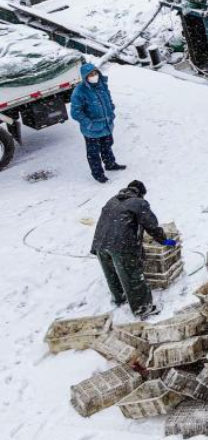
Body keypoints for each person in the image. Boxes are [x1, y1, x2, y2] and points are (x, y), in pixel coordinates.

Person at [90, 180, 175, 319]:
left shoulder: (112, 200)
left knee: (112, 273)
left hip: (100, 243)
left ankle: (120, 297)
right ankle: (143, 308)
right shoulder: (138, 202)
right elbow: (151, 225)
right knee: (133, 276)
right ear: (141, 193)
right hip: (121, 244)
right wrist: (163, 239)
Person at [70, 63, 126, 183]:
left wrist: (111, 109)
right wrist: (89, 124)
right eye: (90, 74)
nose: (94, 76)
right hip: (92, 130)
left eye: (95, 73)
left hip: (106, 124)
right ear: (85, 77)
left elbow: (108, 98)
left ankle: (110, 164)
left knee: (107, 145)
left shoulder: (102, 85)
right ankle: (98, 173)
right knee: (93, 153)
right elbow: (76, 112)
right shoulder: (79, 91)